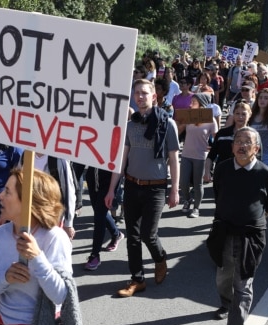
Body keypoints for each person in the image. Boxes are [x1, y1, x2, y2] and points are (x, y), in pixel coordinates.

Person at [0, 169, 85, 325]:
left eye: (7, 192)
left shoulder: (55, 238)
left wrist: (37, 257)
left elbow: (61, 296)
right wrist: (5, 277)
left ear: (29, 202)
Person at [104, 79, 180, 297]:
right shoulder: (130, 125)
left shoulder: (168, 124)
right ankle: (137, 279)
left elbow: (174, 159)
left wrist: (175, 189)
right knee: (133, 236)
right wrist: (111, 190)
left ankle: (160, 258)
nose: (140, 97)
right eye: (136, 93)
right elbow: (121, 160)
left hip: (155, 188)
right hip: (132, 184)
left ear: (154, 96)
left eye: (144, 93)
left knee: (149, 234)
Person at [207, 126, 268, 325]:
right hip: (224, 232)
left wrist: (252, 220)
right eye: (238, 141)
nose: (242, 145)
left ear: (256, 148)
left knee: (243, 284)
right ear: (232, 146)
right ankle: (225, 302)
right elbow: (219, 195)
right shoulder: (222, 169)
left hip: (250, 237)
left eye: (248, 142)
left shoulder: (265, 174)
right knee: (223, 277)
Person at [180, 93, 217, 218]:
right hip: (186, 154)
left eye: (194, 102)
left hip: (200, 156)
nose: (191, 104)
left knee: (197, 184)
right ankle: (187, 200)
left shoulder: (210, 119)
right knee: (183, 182)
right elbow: (179, 130)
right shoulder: (190, 116)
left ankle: (196, 208)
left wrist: (213, 149)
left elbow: (217, 138)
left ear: (201, 103)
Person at [83, 166, 124, 271]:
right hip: (92, 175)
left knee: (99, 217)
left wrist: (112, 190)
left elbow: (120, 161)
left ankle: (95, 255)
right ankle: (116, 234)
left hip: (110, 178)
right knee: (99, 212)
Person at [205, 102, 252, 183]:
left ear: (249, 115)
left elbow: (257, 159)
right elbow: (211, 155)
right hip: (222, 175)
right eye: (237, 113)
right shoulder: (222, 133)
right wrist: (207, 171)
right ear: (233, 114)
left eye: (243, 114)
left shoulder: (253, 136)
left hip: (244, 177)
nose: (240, 117)